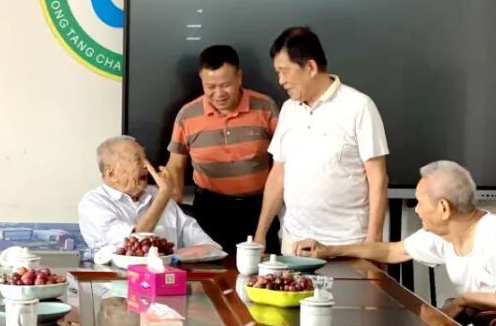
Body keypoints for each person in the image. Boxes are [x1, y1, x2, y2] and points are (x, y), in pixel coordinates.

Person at [296, 161, 496, 319]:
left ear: (443, 208)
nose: (416, 209)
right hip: (476, 322)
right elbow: (393, 251)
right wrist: (329, 250)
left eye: (419, 202)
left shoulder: (494, 233)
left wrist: (465, 299)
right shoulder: (446, 233)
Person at [253, 26, 389, 255]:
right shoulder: (288, 110)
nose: (281, 81)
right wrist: (260, 235)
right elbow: (278, 174)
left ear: (311, 67)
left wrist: (372, 243)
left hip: (346, 244)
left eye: (285, 71)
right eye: (278, 73)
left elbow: (378, 178)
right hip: (294, 244)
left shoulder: (359, 106)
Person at [164, 44, 280, 252]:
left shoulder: (265, 107)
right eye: (210, 87)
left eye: (225, 85)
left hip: (258, 209)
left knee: (264, 268)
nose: (218, 94)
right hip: (209, 210)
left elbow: (285, 160)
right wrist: (173, 206)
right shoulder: (187, 115)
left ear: (239, 77)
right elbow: (176, 165)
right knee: (211, 268)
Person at [78, 136, 219, 253]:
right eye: (137, 160)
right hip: (116, 278)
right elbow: (133, 243)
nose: (147, 165)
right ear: (111, 174)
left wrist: (176, 256)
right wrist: (163, 195)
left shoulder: (156, 193)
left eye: (145, 158)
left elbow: (208, 246)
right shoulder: (92, 203)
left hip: (168, 276)